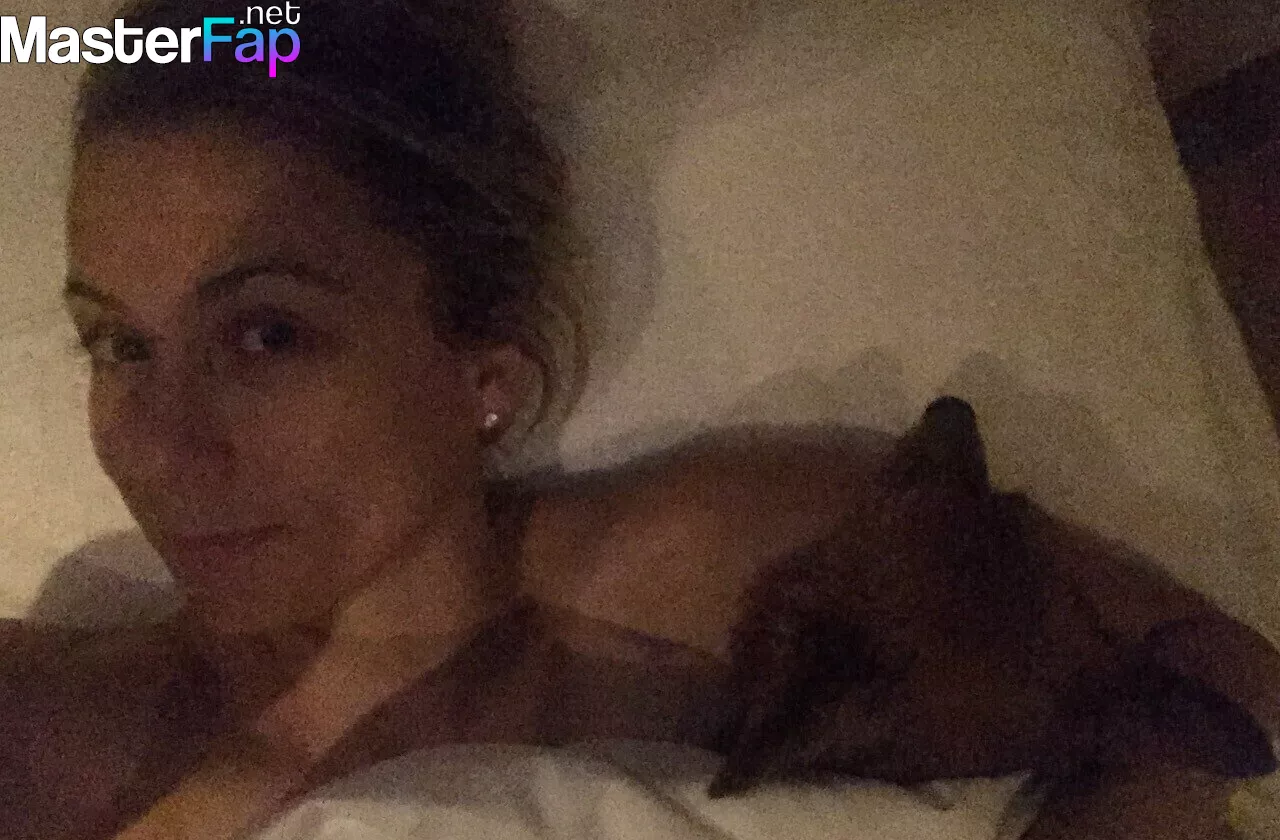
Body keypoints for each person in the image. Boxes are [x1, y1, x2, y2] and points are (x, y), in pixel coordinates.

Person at [1, 1, 1276, 838]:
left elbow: (1204, 678)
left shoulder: (743, 569)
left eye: (266, 336)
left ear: (483, 368)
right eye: (119, 345)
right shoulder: (56, 732)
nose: (161, 444)